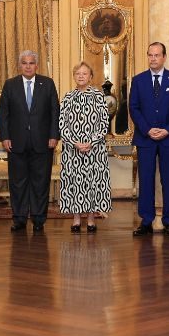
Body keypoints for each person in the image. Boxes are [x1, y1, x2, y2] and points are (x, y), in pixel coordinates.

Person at [0, 50, 60, 232]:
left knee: (40, 183)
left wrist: (54, 135)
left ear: (36, 65)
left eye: (31, 63)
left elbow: (55, 111)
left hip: (43, 142)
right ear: (20, 65)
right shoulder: (10, 85)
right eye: (24, 63)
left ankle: (39, 219)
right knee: (18, 183)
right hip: (16, 143)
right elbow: (3, 114)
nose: (28, 66)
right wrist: (5, 137)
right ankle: (19, 219)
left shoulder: (47, 84)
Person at [129, 42, 169, 237]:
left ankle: (168, 221)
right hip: (146, 139)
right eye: (150, 55)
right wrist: (147, 129)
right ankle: (146, 221)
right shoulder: (138, 80)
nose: (153, 58)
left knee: (168, 179)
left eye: (156, 55)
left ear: (164, 57)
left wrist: (168, 130)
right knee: (145, 179)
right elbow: (134, 108)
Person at [59, 62, 112, 233]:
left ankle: (90, 219)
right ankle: (76, 219)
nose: (81, 76)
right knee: (75, 183)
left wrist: (91, 142)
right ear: (74, 76)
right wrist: (75, 142)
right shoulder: (67, 98)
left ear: (90, 77)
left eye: (85, 73)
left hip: (94, 150)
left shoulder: (99, 97)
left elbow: (104, 124)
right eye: (78, 73)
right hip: (72, 150)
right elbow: (62, 125)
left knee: (92, 183)